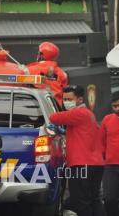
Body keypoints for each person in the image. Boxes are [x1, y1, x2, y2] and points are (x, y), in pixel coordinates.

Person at [49, 85, 104, 216]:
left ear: (79, 99)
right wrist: (64, 132)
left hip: (81, 165)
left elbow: (54, 117)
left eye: (69, 99)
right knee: (93, 201)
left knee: (81, 202)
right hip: (94, 164)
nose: (66, 102)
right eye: (64, 99)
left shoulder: (78, 113)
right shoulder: (88, 114)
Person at [27, 42, 68, 106]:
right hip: (56, 109)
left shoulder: (29, 70)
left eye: (38, 53)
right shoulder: (63, 74)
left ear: (41, 54)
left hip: (36, 107)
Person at [100, 91, 119, 216]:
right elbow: (101, 142)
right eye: (114, 106)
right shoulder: (107, 119)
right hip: (110, 166)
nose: (117, 108)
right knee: (109, 199)